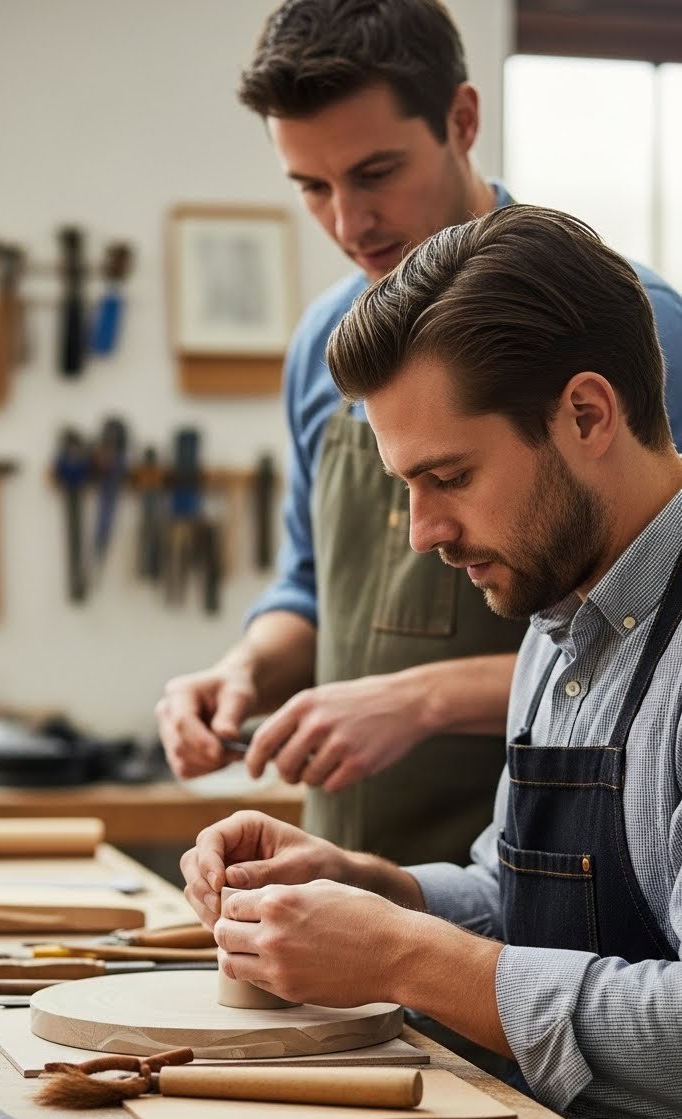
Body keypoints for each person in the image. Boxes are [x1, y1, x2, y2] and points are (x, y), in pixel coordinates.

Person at [181, 204, 682, 1119]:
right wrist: (373, 887)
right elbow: (523, 901)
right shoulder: (561, 609)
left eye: (448, 476)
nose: (421, 534)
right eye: (406, 485)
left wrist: (409, 960)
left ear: (588, 415)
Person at [157, 0, 682, 867]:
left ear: (462, 121)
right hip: (384, 874)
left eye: (375, 172)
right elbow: (311, 587)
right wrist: (245, 670)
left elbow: (644, 631)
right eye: (313, 188)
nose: (347, 222)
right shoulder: (325, 345)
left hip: (559, 887)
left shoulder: (631, 327)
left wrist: (420, 699)